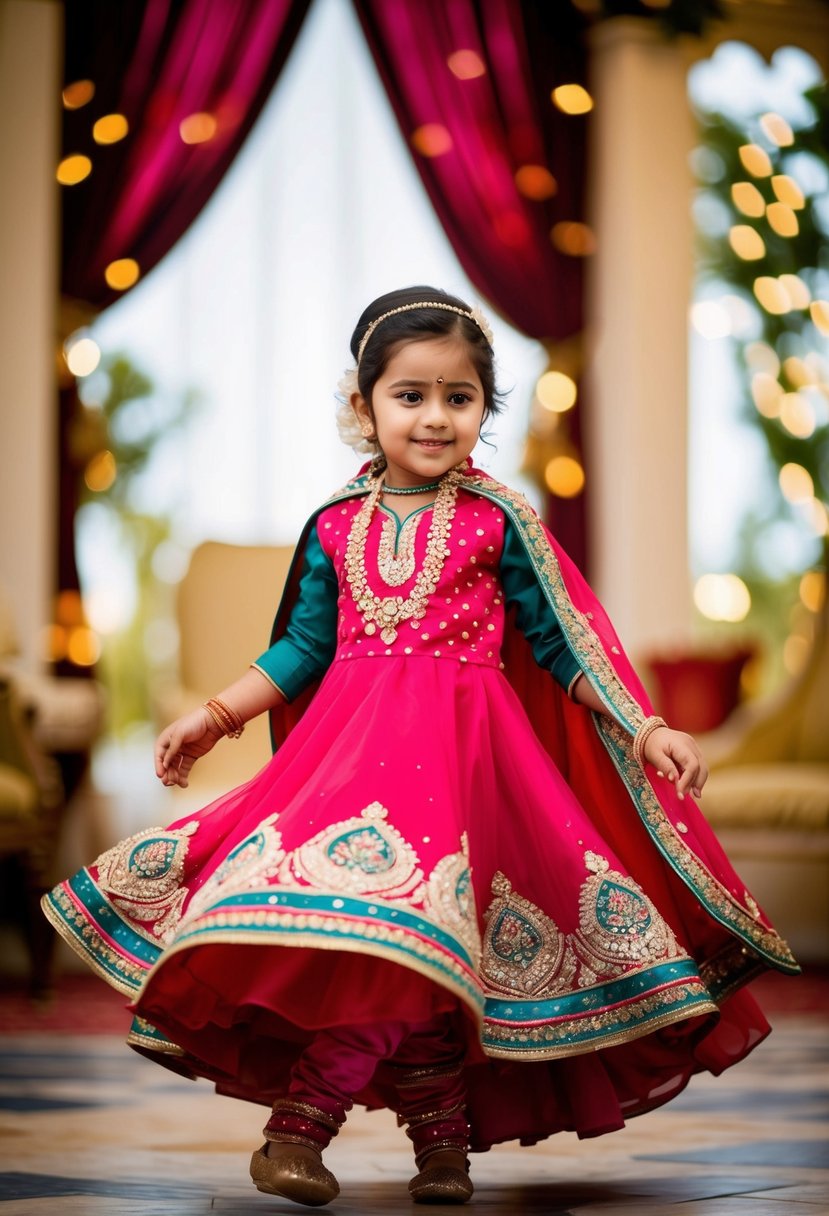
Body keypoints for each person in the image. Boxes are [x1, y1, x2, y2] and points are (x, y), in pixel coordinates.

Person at [43, 286, 798, 1209]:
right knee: (385, 940)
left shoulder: (499, 521)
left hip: (468, 767)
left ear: (486, 407)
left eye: (459, 396)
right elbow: (301, 648)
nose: (435, 416)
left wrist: (644, 725)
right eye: (409, 395)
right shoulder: (334, 525)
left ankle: (359, 1136)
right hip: (351, 764)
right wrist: (216, 715)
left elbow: (564, 644)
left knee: (430, 943)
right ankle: (389, 1138)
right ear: (362, 407)